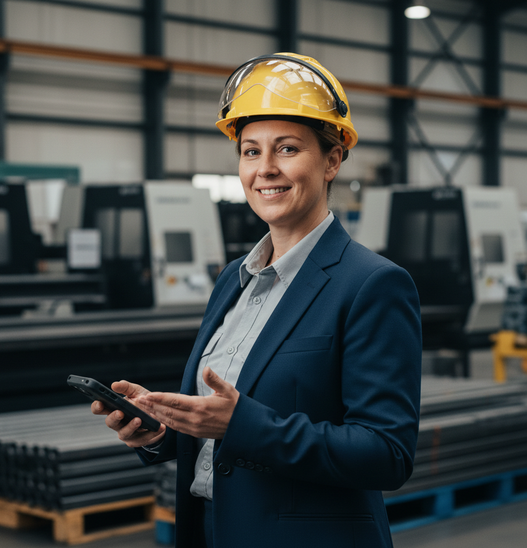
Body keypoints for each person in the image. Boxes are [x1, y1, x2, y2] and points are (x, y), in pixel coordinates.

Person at [92, 52, 422, 548]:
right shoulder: (233, 279)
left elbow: (386, 453)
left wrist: (241, 423)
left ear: (332, 159)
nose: (265, 169)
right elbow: (220, 437)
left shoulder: (372, 284)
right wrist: (164, 430)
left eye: (287, 149)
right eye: (250, 151)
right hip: (213, 529)